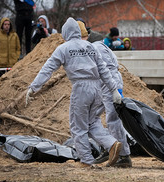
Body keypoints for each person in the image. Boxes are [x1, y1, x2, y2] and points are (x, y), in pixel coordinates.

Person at [25, 17, 123, 168]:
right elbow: (103, 69)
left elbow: (48, 69)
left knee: (78, 127)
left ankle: (86, 160)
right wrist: (113, 90)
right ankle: (112, 143)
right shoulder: (90, 46)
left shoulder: (63, 48)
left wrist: (33, 87)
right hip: (97, 88)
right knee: (92, 122)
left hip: (80, 88)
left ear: (65, 33)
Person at [77, 20, 132, 167]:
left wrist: (114, 90)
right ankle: (109, 148)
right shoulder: (98, 45)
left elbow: (107, 70)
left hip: (109, 84)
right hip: (105, 86)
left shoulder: (96, 47)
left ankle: (123, 156)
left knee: (112, 120)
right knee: (92, 118)